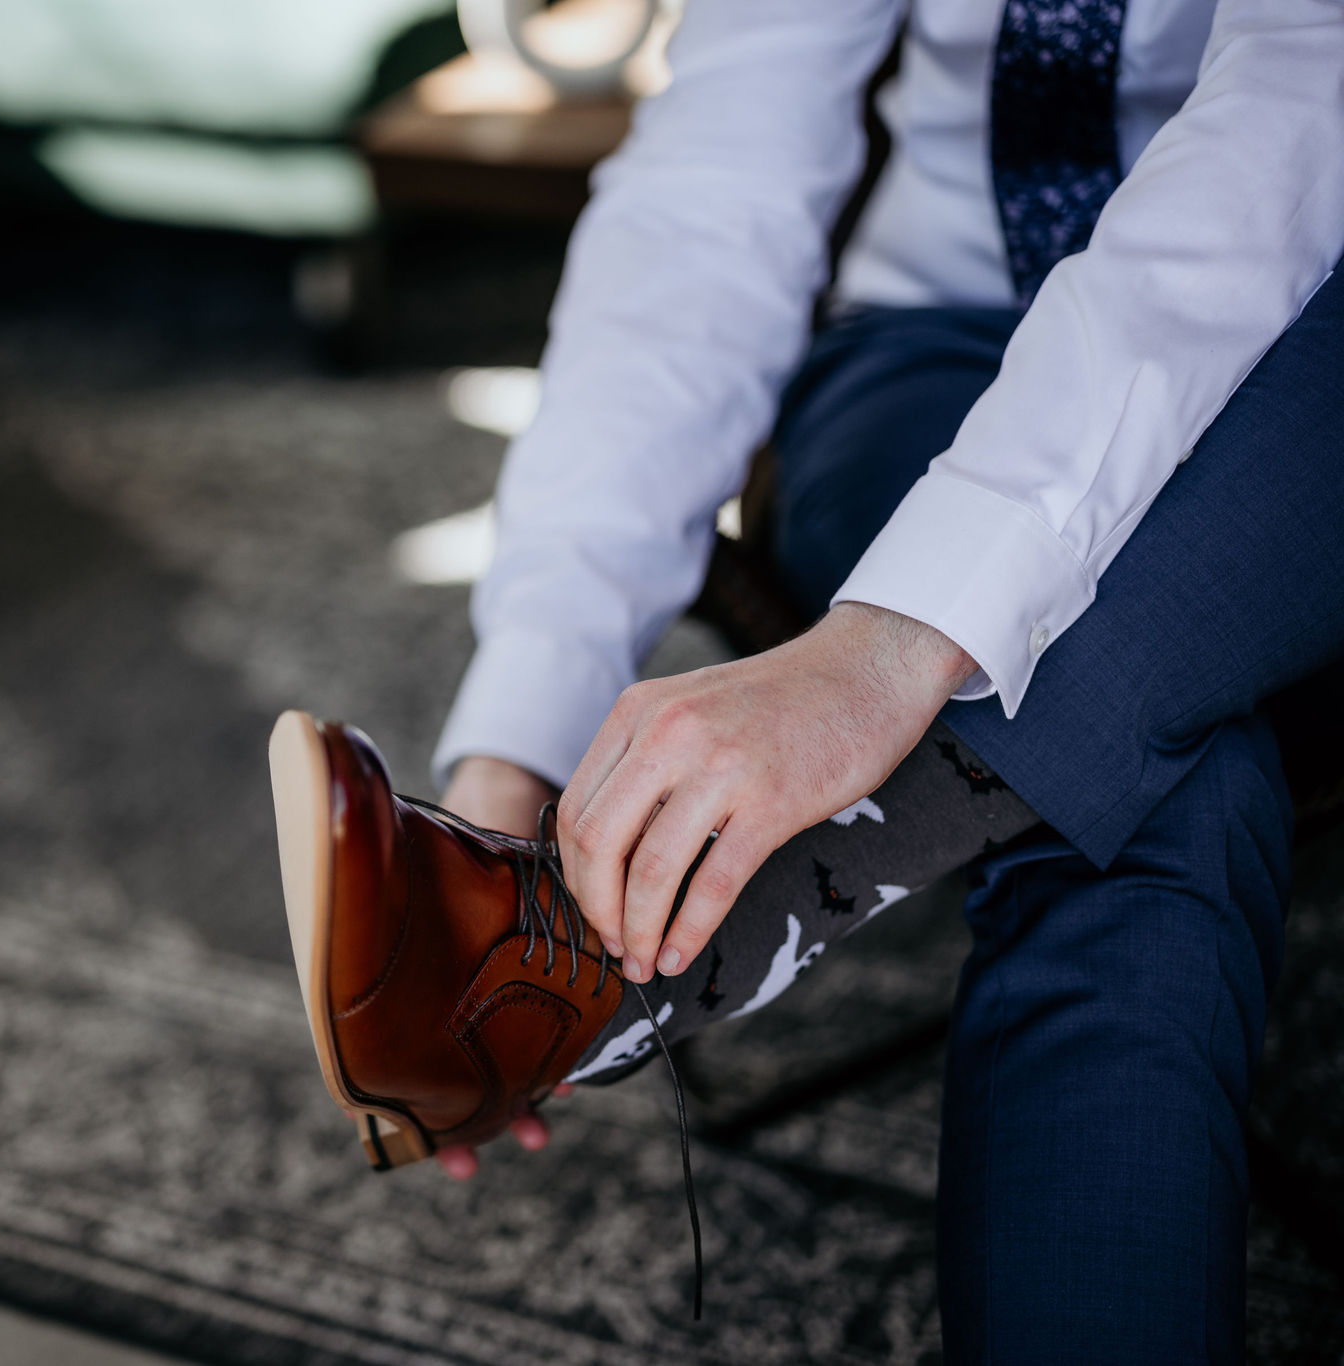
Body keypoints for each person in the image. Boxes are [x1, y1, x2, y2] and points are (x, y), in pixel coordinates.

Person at [424, 0, 1344, 1358]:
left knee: (1142, 791)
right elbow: (715, 188)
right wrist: (519, 748)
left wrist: (890, 650)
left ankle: (704, 919)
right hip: (944, 335)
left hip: (1308, 334)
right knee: (1141, 783)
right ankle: (931, 797)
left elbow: (1294, 133)